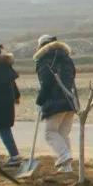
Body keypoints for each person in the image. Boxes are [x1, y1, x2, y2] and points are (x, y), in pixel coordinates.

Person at [34, 34, 77, 173]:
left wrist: (40, 100)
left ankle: (64, 155)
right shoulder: (66, 58)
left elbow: (46, 83)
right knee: (63, 133)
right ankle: (67, 168)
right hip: (70, 100)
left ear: (42, 46)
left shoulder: (44, 59)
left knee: (50, 132)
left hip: (55, 101)